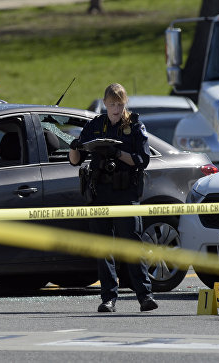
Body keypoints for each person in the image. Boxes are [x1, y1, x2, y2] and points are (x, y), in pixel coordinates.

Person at [68, 83, 157, 313]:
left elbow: (143, 159)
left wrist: (118, 153)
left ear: (124, 103)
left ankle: (145, 296)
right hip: (100, 191)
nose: (116, 109)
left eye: (119, 104)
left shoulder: (135, 126)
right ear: (105, 104)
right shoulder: (96, 125)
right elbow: (75, 160)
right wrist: (75, 146)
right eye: (111, 104)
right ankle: (108, 298)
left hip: (125, 191)